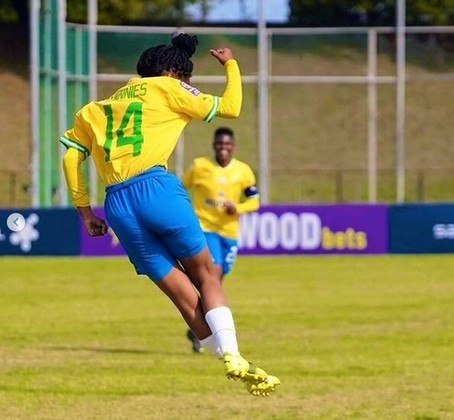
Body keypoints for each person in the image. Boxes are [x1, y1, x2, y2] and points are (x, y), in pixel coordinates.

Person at [59, 33, 279, 397]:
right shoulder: (168, 87)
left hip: (117, 205)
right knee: (207, 274)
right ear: (173, 72)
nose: (189, 86)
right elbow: (231, 108)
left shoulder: (95, 108)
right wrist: (231, 65)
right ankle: (234, 355)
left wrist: (85, 212)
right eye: (187, 78)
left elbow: (71, 157)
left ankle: (226, 357)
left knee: (182, 295)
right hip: (156, 190)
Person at [183, 127, 260, 352]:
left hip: (230, 232)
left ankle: (200, 325)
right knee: (212, 276)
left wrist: (238, 208)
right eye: (219, 144)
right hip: (205, 228)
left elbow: (254, 201)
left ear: (233, 146)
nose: (223, 148)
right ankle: (205, 330)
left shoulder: (243, 171)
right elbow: (180, 187)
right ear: (214, 145)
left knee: (218, 279)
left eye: (227, 145)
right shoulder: (200, 166)